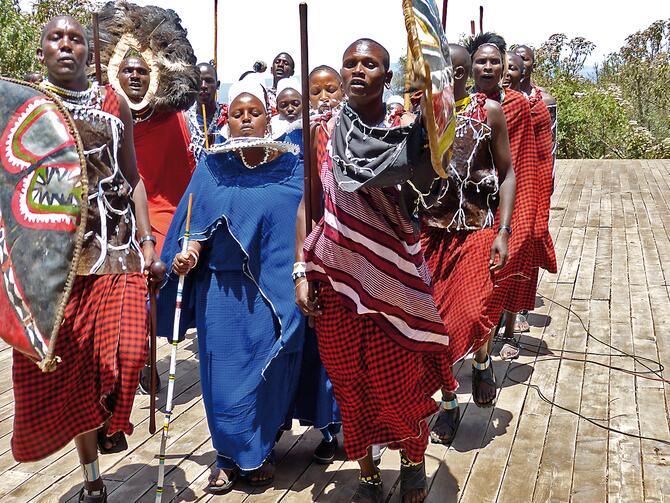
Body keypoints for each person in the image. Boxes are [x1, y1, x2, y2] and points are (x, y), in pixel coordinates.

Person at [296, 38, 452, 503]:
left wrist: (431, 128)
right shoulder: (321, 130)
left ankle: (411, 460)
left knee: (398, 379)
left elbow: (432, 188)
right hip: (334, 273)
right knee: (348, 380)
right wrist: (301, 269)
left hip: (396, 275)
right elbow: (309, 200)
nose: (358, 70)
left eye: (371, 64)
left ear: (388, 75)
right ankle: (366, 471)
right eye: (351, 63)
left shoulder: (407, 127)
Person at [10, 16, 156, 503]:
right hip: (59, 261)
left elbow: (133, 176)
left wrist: (151, 242)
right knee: (72, 375)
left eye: (76, 38)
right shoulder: (27, 106)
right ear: (42, 52)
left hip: (121, 249)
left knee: (132, 352)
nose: (67, 45)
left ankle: (110, 418)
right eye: (56, 38)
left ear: (89, 54)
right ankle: (93, 477)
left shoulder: (114, 103)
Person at [158, 77, 305, 494]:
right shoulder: (212, 169)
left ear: (267, 119)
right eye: (237, 113)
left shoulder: (292, 168)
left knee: (269, 371)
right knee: (221, 379)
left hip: (274, 292)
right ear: (227, 118)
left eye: (253, 113)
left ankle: (258, 451)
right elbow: (193, 226)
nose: (244, 120)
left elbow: (303, 224)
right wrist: (188, 253)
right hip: (221, 292)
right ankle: (225, 457)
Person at [421, 43, 515, 443]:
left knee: (474, 312)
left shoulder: (488, 112)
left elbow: (507, 173)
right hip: (432, 231)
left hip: (477, 227)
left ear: (458, 74)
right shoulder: (422, 116)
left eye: (441, 71)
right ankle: (448, 402)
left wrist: (504, 231)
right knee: (434, 324)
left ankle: (480, 359)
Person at [454, 32, 538, 405]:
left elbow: (519, 163)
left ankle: (482, 356)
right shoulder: (435, 107)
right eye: (480, 61)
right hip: (441, 222)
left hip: (489, 213)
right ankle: (448, 397)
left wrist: (517, 220)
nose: (487, 67)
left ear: (503, 65)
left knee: (481, 300)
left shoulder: (513, 106)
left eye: (493, 61)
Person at [501, 49, 557, 350]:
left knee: (521, 253)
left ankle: (510, 327)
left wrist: (541, 194)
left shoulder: (537, 104)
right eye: (503, 66)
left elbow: (545, 154)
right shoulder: (488, 103)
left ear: (524, 72)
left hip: (526, 186)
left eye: (513, 67)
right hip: (493, 190)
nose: (507, 72)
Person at [515, 45, 558, 166]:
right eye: (516, 58)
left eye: (524, 59)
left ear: (533, 66)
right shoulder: (498, 99)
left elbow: (551, 145)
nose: (520, 63)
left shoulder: (545, 101)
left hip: (536, 166)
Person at [186, 62, 226, 161]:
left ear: (218, 85)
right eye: (198, 81)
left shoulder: (227, 118)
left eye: (209, 81)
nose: (203, 86)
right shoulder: (183, 120)